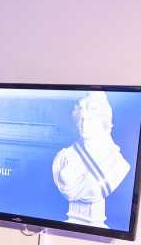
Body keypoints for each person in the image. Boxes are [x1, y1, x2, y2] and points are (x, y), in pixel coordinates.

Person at [52, 91, 130, 228]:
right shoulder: (63, 157)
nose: (84, 124)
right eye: (81, 119)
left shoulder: (117, 163)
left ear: (102, 123)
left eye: (90, 120)